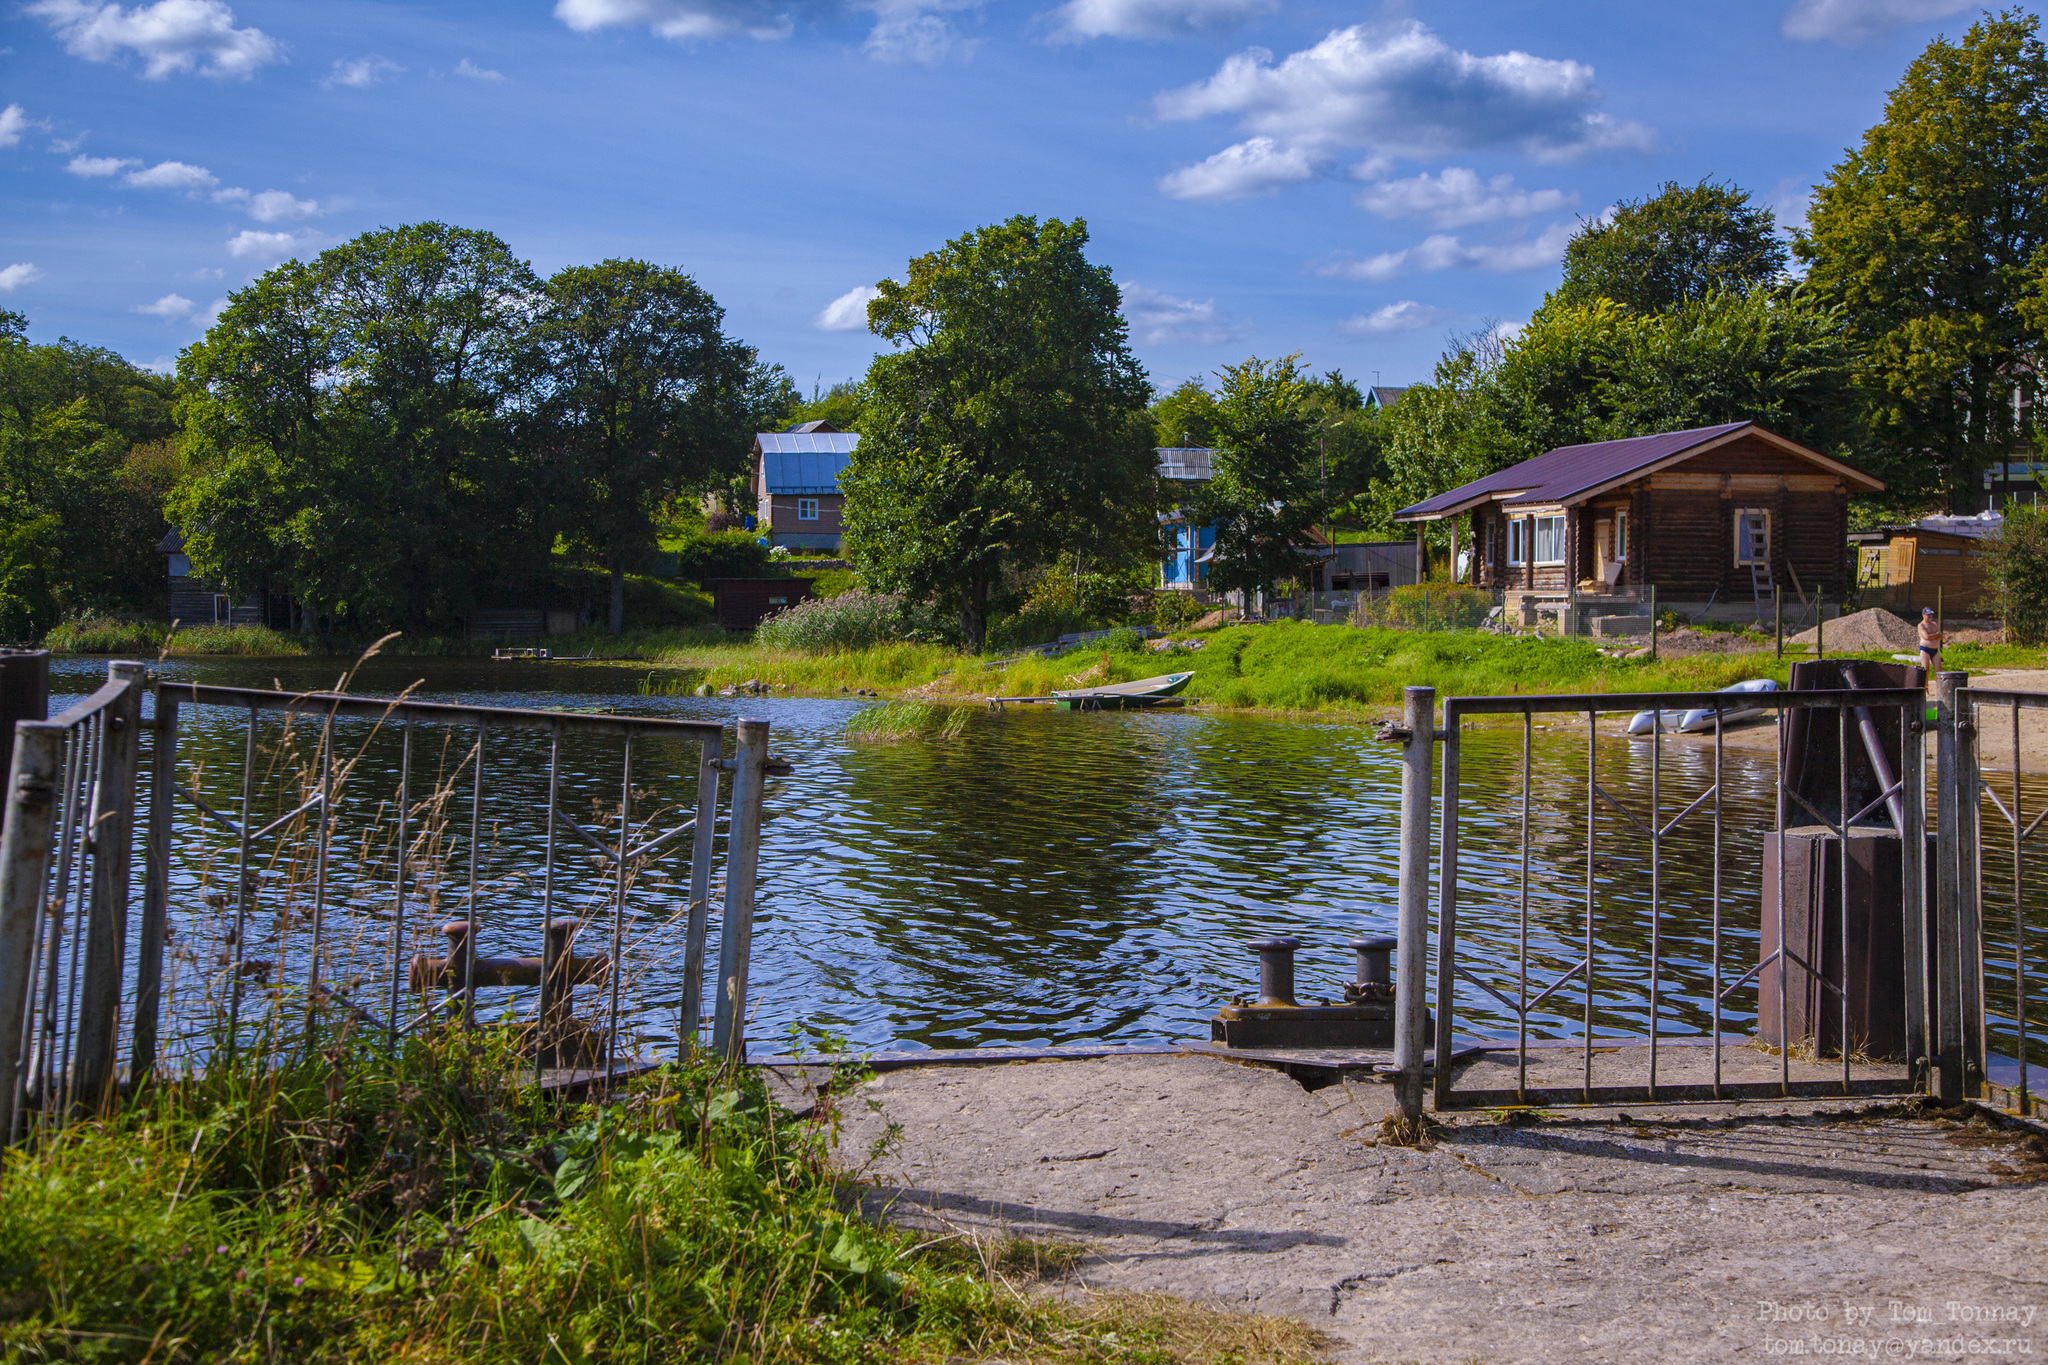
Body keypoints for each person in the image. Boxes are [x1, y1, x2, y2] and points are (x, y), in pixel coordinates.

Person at [1918, 606, 1943, 687]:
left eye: (1931, 615)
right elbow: (1926, 637)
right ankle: (1925, 687)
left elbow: (1941, 636)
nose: (1930, 617)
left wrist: (1934, 636)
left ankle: (1939, 687)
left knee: (1939, 669)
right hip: (1925, 649)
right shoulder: (1921, 625)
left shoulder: (1934, 624)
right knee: (1926, 669)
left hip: (1934, 650)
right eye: (1928, 615)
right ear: (1923, 615)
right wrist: (1936, 635)